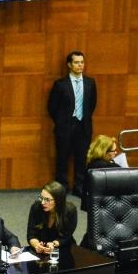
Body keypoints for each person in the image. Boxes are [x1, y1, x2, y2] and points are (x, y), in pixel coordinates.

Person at [48, 51, 97, 197]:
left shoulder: (90, 83)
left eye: (82, 62)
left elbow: (92, 104)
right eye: (76, 62)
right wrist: (62, 121)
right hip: (65, 127)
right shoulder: (60, 84)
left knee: (81, 158)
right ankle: (62, 187)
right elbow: (52, 107)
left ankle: (79, 187)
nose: (80, 65)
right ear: (69, 65)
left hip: (83, 126)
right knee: (62, 158)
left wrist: (82, 118)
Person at [27, 181, 77, 255]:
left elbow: (67, 236)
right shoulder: (36, 208)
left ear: (58, 200)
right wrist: (37, 245)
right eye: (41, 198)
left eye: (47, 200)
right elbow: (31, 235)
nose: (43, 202)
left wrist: (53, 244)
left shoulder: (70, 211)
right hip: (41, 249)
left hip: (63, 247)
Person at [81, 135, 122, 212]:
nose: (116, 153)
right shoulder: (110, 168)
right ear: (105, 152)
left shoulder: (91, 164)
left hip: (93, 206)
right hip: (108, 207)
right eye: (114, 150)